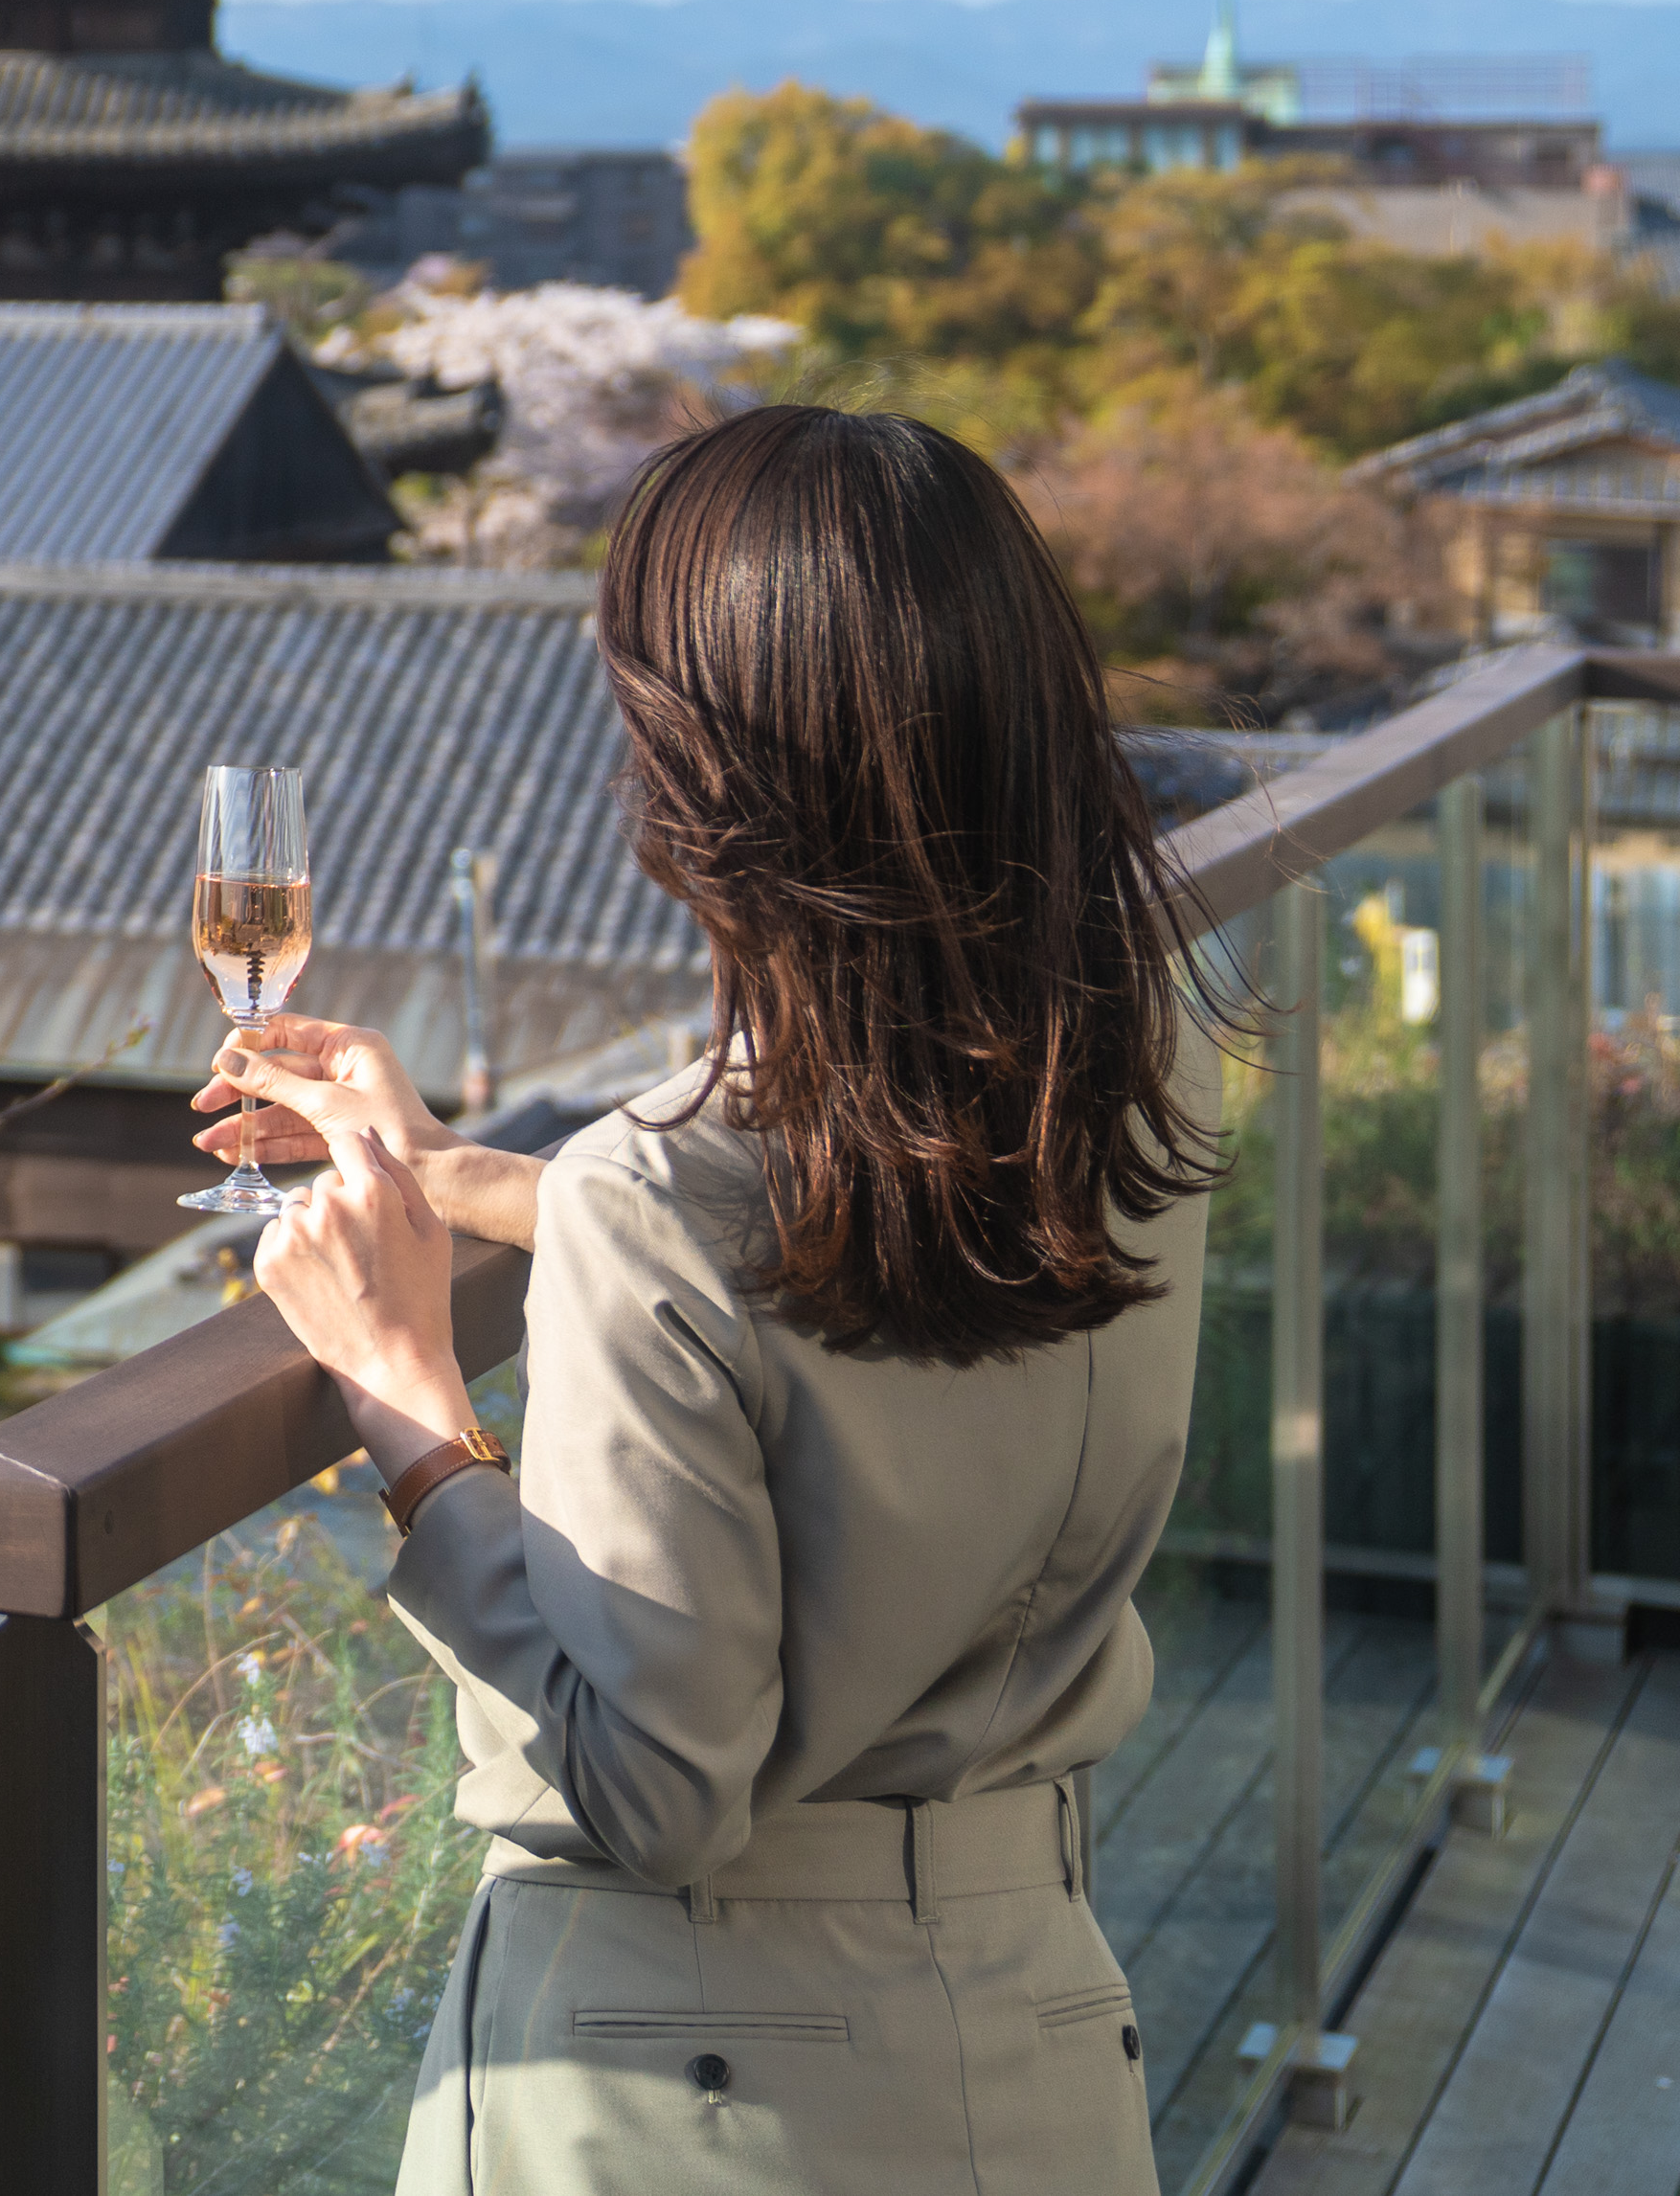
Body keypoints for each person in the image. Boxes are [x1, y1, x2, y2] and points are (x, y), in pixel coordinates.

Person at [197, 403, 1221, 2194]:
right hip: (1040, 2018)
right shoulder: (1121, 1095)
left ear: (707, 772)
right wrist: (491, 1184)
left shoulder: (667, 1191)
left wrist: (404, 1393)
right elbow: (855, 1249)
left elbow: (658, 1785)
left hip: (687, 2087)